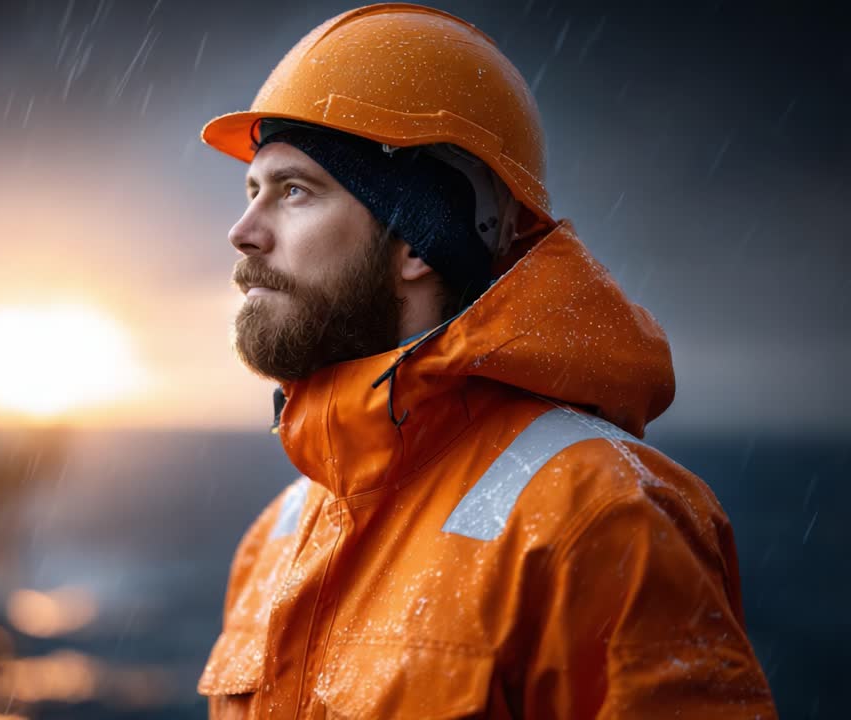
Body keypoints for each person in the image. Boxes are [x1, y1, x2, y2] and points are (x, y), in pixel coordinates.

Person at [195, 5, 777, 718]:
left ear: (416, 240)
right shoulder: (278, 535)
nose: (243, 232)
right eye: (251, 191)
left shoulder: (602, 518)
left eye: (294, 191)